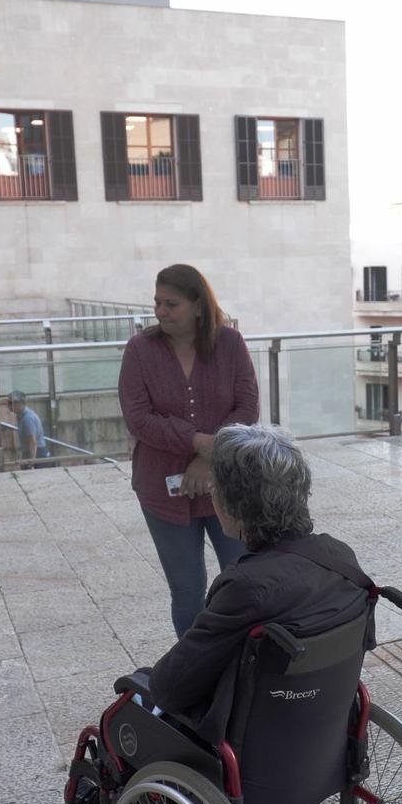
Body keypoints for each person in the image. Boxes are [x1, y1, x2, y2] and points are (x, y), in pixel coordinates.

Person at [127, 423, 372, 742]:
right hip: (323, 730)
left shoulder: (245, 587)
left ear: (233, 507)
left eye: (215, 487)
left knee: (135, 695)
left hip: (253, 749)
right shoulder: (341, 558)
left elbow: (168, 688)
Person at [118, 264, 260, 636]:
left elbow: (247, 408)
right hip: (161, 492)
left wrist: (207, 460)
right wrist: (197, 442)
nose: (161, 311)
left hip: (226, 484)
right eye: (157, 303)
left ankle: (242, 666)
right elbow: (139, 418)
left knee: (241, 582)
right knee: (187, 592)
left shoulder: (230, 343)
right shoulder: (139, 350)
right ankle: (195, 674)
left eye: (171, 304)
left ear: (198, 305)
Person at [4, 390, 52, 462]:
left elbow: (32, 441)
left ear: (21, 403)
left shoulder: (27, 418)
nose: (9, 406)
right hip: (31, 452)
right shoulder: (21, 416)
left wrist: (31, 461)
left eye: (12, 403)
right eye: (8, 403)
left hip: (37, 454)